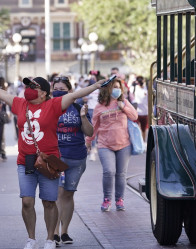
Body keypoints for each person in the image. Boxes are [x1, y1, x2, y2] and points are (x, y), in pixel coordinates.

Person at [0, 75, 104, 249]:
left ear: (44, 93)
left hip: (48, 163)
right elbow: (4, 95)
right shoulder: (21, 104)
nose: (29, 89)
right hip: (25, 161)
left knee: (49, 202)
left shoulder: (53, 105)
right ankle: (31, 239)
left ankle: (50, 239)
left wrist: (95, 86)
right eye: (28, 86)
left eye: (33, 87)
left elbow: (75, 95)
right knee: (27, 201)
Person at [51, 76, 93, 247]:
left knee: (69, 194)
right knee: (59, 194)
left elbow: (89, 132)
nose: (59, 91)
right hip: (56, 157)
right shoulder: (49, 107)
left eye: (62, 88)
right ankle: (53, 233)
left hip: (77, 157)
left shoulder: (77, 107)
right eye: (56, 88)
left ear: (69, 90)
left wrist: (83, 117)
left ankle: (64, 232)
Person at [86, 78, 138, 212]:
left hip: (124, 144)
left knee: (121, 174)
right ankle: (107, 199)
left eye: (118, 87)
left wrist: (124, 107)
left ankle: (119, 200)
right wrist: (88, 141)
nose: (117, 90)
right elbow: (94, 127)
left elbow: (134, 116)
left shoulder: (124, 102)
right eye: (114, 87)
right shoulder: (99, 107)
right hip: (105, 145)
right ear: (107, 89)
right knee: (109, 171)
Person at [132, 76, 148, 142]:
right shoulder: (134, 89)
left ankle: (144, 142)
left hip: (145, 112)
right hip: (137, 112)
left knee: (144, 129)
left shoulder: (147, 88)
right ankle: (139, 142)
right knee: (137, 129)